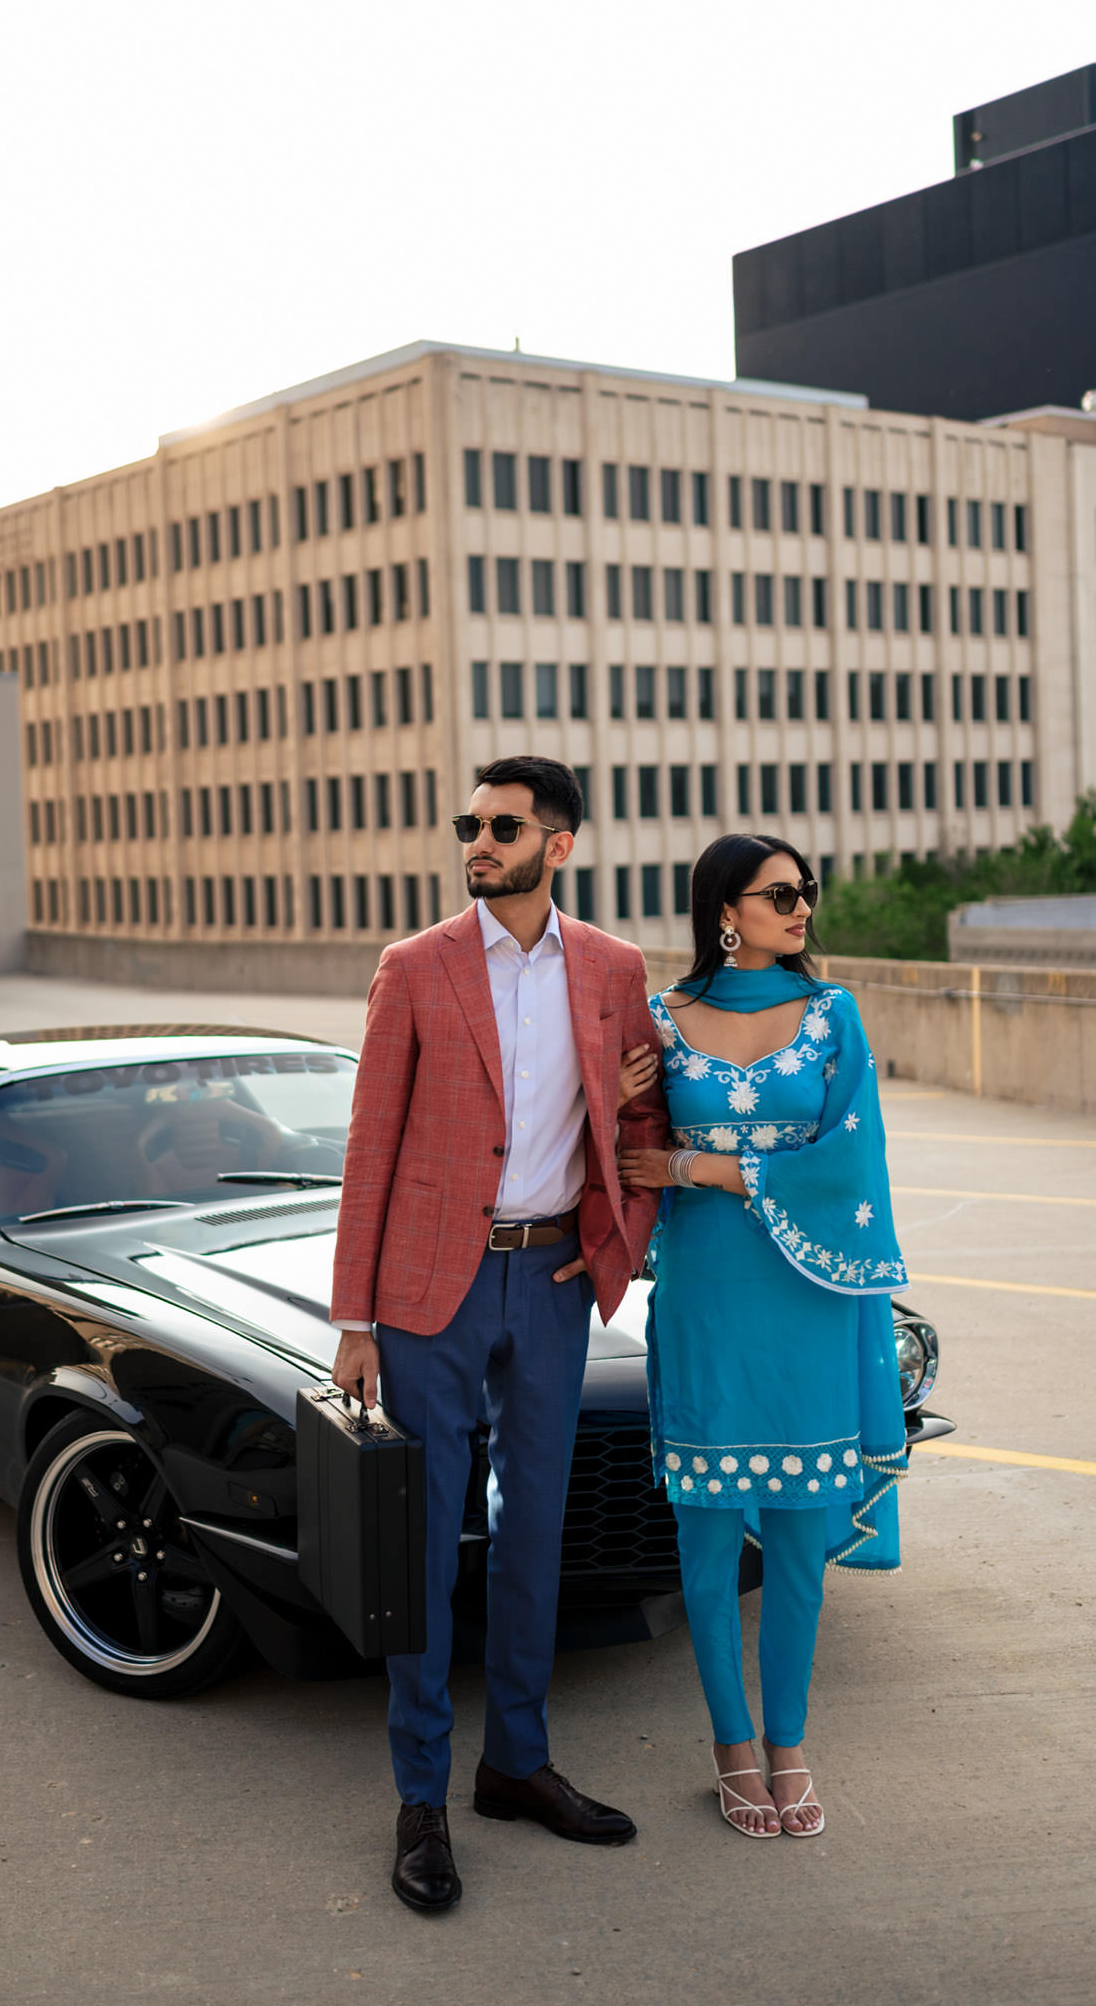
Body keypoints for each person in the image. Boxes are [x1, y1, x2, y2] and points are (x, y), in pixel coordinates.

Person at [330, 755, 668, 1914]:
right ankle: (419, 1793)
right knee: (422, 1543)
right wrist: (353, 1317)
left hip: (554, 1280)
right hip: (433, 1288)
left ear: (557, 844)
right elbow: (368, 1148)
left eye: (500, 825)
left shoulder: (614, 969)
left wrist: (612, 1231)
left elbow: (640, 1120)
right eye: (467, 823)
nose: (475, 840)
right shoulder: (414, 967)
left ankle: (513, 1761)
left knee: (535, 1530)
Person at [618, 834, 909, 1841]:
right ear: (722, 911)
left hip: (811, 1291)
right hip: (704, 1292)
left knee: (795, 1533)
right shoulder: (659, 1018)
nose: (800, 909)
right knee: (704, 1532)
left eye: (805, 892)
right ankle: (730, 1746)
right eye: (778, 893)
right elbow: (626, 1151)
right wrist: (622, 1117)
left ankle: (787, 1741)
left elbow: (853, 1160)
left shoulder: (833, 1015)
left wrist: (709, 1170)